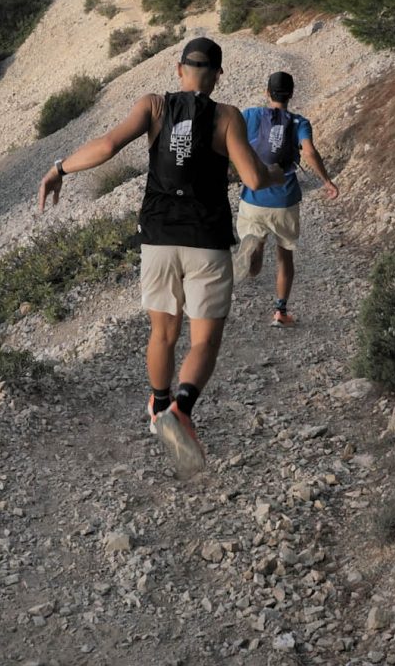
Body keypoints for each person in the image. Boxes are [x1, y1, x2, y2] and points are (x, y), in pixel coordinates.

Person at [37, 37, 284, 479]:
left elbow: (109, 146)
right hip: (206, 240)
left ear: (178, 70)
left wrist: (59, 169)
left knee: (163, 332)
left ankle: (157, 401)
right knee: (204, 340)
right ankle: (182, 408)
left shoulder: (153, 106)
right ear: (218, 75)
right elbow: (252, 177)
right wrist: (273, 171)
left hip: (157, 237)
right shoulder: (226, 116)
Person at [234, 71, 339, 327]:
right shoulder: (299, 122)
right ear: (291, 94)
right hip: (285, 199)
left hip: (253, 196)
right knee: (285, 256)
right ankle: (280, 312)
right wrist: (326, 181)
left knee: (255, 259)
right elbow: (310, 152)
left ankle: (253, 249)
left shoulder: (250, 115)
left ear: (266, 93)